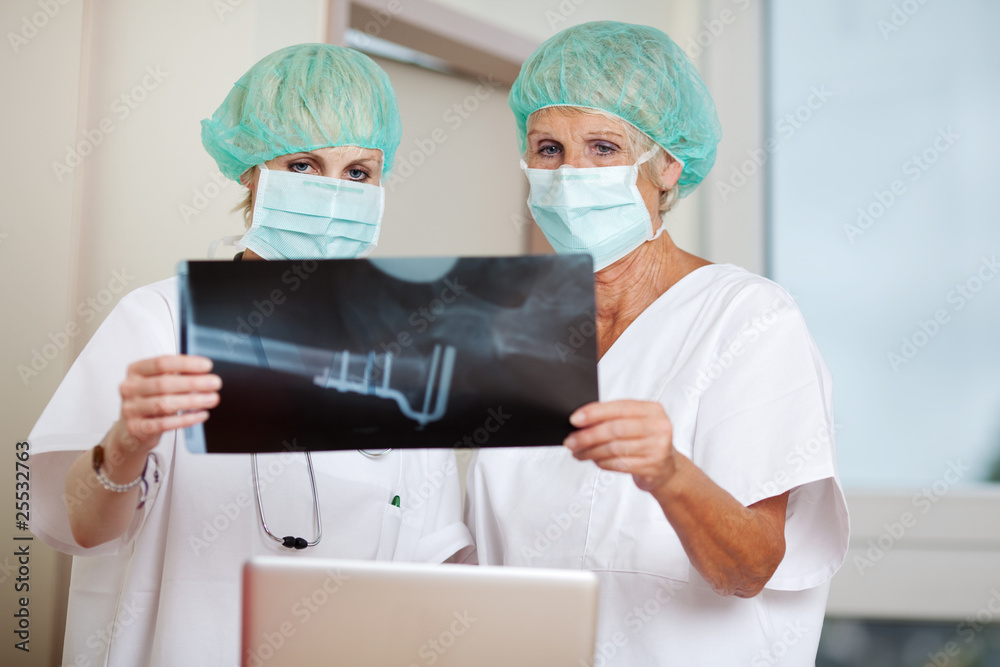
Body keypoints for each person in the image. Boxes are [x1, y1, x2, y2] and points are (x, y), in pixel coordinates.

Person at [29, 43, 470, 667]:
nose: (332, 192)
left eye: (358, 173)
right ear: (251, 172)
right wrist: (127, 442)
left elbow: (435, 568)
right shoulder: (162, 319)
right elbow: (71, 525)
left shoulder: (409, 354)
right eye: (302, 164)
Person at [464, 21, 849, 665]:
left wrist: (669, 472)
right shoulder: (514, 331)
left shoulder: (746, 318)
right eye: (549, 149)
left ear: (668, 165)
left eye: (603, 147)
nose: (570, 174)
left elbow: (749, 567)